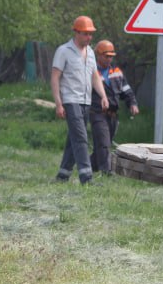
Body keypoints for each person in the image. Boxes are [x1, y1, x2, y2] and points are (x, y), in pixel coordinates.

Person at [50, 15, 108, 184]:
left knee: (73, 139)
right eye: (85, 34)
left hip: (86, 101)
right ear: (76, 33)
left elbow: (95, 77)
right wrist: (58, 103)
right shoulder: (63, 51)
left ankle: (63, 175)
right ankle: (86, 177)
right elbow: (55, 78)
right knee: (81, 137)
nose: (89, 37)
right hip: (70, 100)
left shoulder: (90, 52)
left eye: (91, 34)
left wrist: (103, 96)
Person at [88, 39, 139, 175]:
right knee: (104, 144)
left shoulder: (117, 72)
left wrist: (132, 103)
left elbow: (126, 90)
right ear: (98, 55)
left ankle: (88, 166)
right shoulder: (92, 72)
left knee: (102, 145)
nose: (109, 59)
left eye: (111, 56)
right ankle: (107, 172)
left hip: (113, 116)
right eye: (106, 56)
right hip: (97, 113)